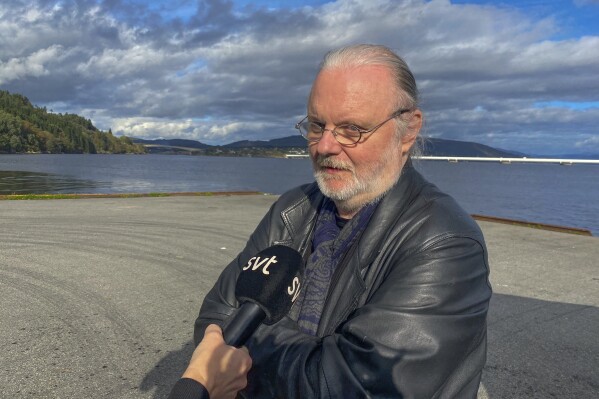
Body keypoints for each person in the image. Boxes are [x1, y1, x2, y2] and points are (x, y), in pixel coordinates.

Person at [191, 44, 492, 398]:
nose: (325, 146)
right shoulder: (293, 209)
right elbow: (214, 314)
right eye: (317, 125)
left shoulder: (445, 243)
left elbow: (353, 388)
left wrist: (239, 347)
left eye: (352, 129)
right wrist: (315, 357)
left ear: (408, 131)